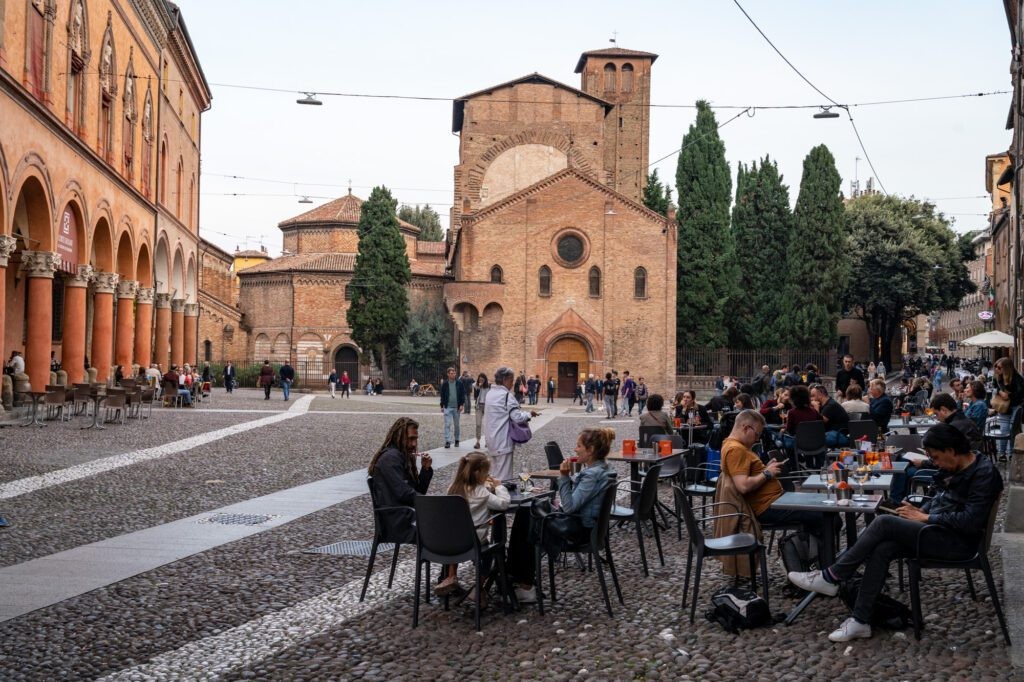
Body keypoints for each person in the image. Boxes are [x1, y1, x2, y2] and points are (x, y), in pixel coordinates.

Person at [788, 424, 1003, 642]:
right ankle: (860, 620)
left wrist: (926, 518)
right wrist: (921, 511)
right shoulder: (957, 467)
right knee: (883, 548)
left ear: (950, 450)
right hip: (940, 531)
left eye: (936, 458)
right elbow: (942, 499)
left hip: (958, 542)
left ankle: (832, 576)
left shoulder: (984, 473)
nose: (936, 463)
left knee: (884, 523)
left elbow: (970, 522)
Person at [505, 427, 616, 603]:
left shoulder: (592, 475)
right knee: (526, 513)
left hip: (579, 530)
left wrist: (564, 477)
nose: (575, 449)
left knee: (526, 517)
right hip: (589, 525)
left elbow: (571, 507)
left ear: (591, 450)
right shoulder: (604, 468)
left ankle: (522, 583)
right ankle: (517, 576)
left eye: (579, 445)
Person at [721, 409, 826, 535]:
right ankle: (818, 552)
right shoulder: (736, 450)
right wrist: (767, 473)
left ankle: (816, 549)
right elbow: (743, 486)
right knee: (824, 516)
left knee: (826, 510)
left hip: (774, 500)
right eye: (757, 435)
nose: (757, 439)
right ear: (746, 428)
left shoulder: (736, 446)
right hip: (767, 507)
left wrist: (766, 469)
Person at [437, 452, 511, 599]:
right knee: (490, 552)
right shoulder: (482, 492)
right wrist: (499, 486)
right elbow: (503, 503)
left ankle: (451, 575)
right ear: (478, 473)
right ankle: (479, 587)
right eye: (486, 472)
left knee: (456, 531)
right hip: (474, 541)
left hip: (452, 542)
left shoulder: (453, 488)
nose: (487, 475)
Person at [367, 417, 433, 544]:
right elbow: (403, 493)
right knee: (444, 530)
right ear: (399, 437)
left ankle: (447, 562)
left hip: (403, 517)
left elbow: (417, 491)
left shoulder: (400, 456)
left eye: (415, 439)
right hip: (397, 523)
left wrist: (425, 469)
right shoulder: (390, 458)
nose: (414, 444)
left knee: (446, 526)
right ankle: (447, 562)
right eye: (410, 439)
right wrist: (430, 504)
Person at [483, 366, 538, 480]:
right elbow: (517, 417)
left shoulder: (490, 394)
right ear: (504, 380)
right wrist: (529, 415)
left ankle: (494, 495)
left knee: (494, 476)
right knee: (504, 478)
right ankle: (502, 497)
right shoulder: (507, 395)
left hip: (491, 439)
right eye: (511, 380)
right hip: (503, 440)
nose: (512, 384)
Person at [991, 357, 1024, 459]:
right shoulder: (997, 377)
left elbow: (1021, 394)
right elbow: (994, 387)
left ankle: (1011, 453)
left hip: (1015, 406)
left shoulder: (1017, 378)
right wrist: (999, 391)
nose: (996, 368)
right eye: (995, 366)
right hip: (1003, 407)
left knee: (1013, 430)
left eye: (999, 367)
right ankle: (1002, 454)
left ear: (1006, 368)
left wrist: (1009, 396)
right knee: (1004, 430)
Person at [781, 385, 822, 455]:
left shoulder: (792, 412)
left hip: (800, 444)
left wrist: (783, 430)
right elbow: (820, 423)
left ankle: (793, 462)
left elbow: (789, 430)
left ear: (793, 399)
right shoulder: (813, 411)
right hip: (816, 443)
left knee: (781, 437)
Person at [440, 367, 465, 448]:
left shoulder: (459, 383)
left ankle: (457, 440)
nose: (453, 374)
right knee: (447, 424)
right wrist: (442, 405)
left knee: (456, 425)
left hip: (457, 407)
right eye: (451, 373)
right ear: (448, 374)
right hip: (447, 407)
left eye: (454, 373)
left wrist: (461, 404)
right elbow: (442, 395)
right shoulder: (445, 384)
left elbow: (462, 394)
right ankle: (447, 441)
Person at [473, 373, 490, 449]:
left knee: (487, 425)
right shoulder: (475, 385)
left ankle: (487, 441)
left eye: (482, 379)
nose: (481, 381)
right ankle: (478, 442)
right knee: (478, 424)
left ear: (485, 379)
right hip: (479, 406)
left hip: (487, 407)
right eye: (480, 379)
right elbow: (475, 397)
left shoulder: (489, 386)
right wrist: (478, 388)